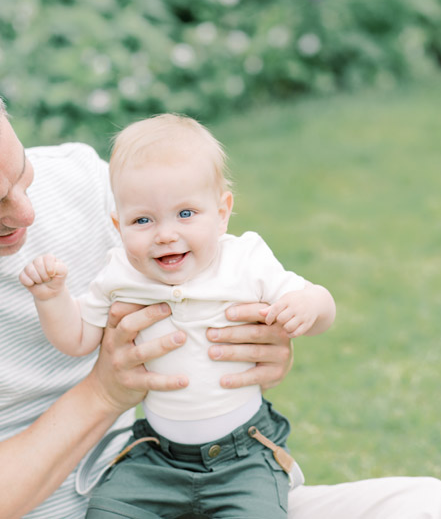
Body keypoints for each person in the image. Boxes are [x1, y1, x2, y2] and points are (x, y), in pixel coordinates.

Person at [0, 43, 441, 518]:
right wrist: (103, 391)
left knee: (426, 504)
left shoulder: (88, 180)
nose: (25, 213)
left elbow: (211, 286)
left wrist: (260, 341)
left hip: (179, 483)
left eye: (19, 173)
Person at [19, 114, 336, 517]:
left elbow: (320, 305)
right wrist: (51, 298)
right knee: (108, 510)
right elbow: (77, 338)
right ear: (118, 225)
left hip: (243, 457)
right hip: (156, 457)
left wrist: (311, 306)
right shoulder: (121, 273)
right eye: (142, 220)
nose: (165, 234)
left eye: (186, 214)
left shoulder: (245, 259)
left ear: (222, 212)